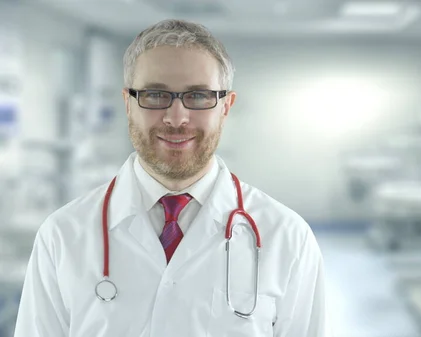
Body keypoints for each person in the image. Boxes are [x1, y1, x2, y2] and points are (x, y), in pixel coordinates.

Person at [14, 19, 329, 337]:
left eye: (198, 96)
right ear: (127, 103)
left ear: (226, 106)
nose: (176, 118)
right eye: (154, 95)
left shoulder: (287, 237)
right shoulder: (63, 235)